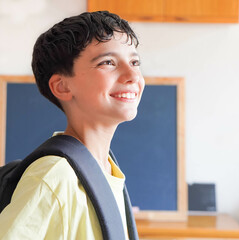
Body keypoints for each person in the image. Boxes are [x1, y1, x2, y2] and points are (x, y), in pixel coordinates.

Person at [0, 11, 144, 239]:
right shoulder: (53, 177)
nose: (132, 75)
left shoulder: (105, 168)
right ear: (62, 87)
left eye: (135, 62)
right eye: (108, 62)